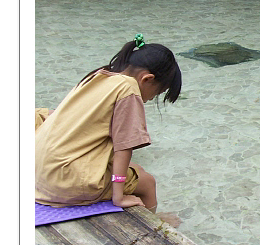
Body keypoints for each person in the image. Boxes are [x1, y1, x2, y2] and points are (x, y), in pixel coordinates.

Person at [35, 34, 182, 213]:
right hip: (64, 182)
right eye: (157, 92)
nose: (151, 99)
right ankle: (156, 223)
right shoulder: (128, 89)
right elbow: (124, 147)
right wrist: (119, 197)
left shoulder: (98, 76)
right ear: (147, 79)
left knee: (136, 169)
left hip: (38, 172)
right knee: (147, 182)